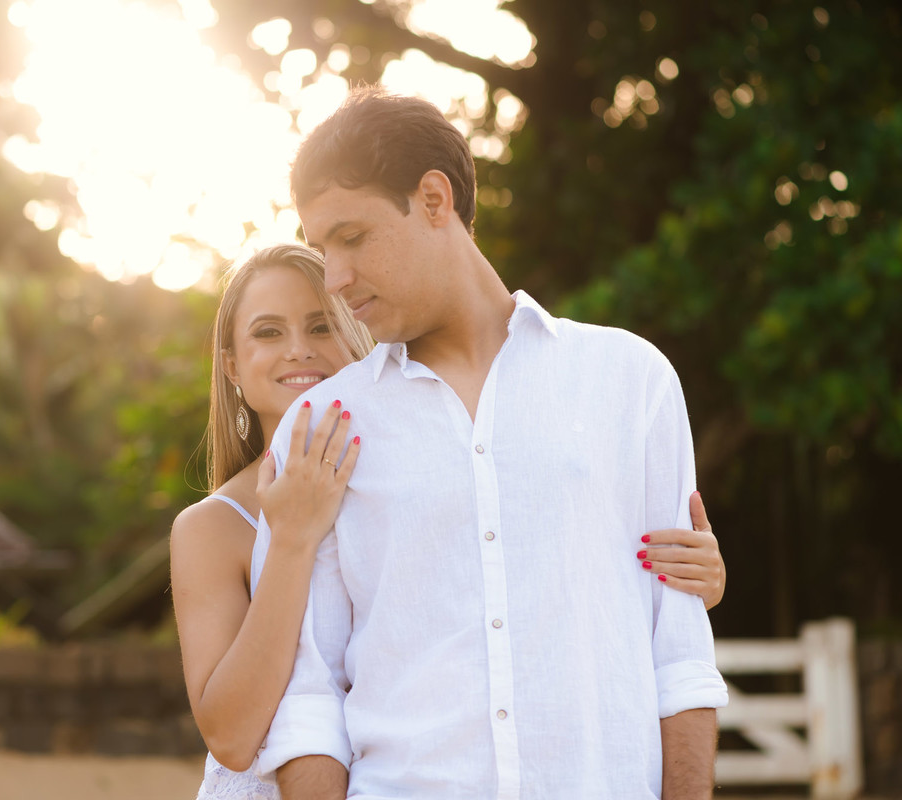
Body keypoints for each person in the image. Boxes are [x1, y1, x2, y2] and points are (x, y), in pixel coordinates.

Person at [251, 88, 729, 799]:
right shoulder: (322, 427)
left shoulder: (631, 381)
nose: (336, 279)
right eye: (323, 249)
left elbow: (678, 656)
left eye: (352, 238)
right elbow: (308, 694)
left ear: (435, 200)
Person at [171, 242, 727, 799]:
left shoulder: (403, 470)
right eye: (268, 332)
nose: (299, 350)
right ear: (232, 367)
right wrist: (291, 540)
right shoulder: (212, 527)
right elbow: (235, 737)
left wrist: (677, 585)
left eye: (322, 326)